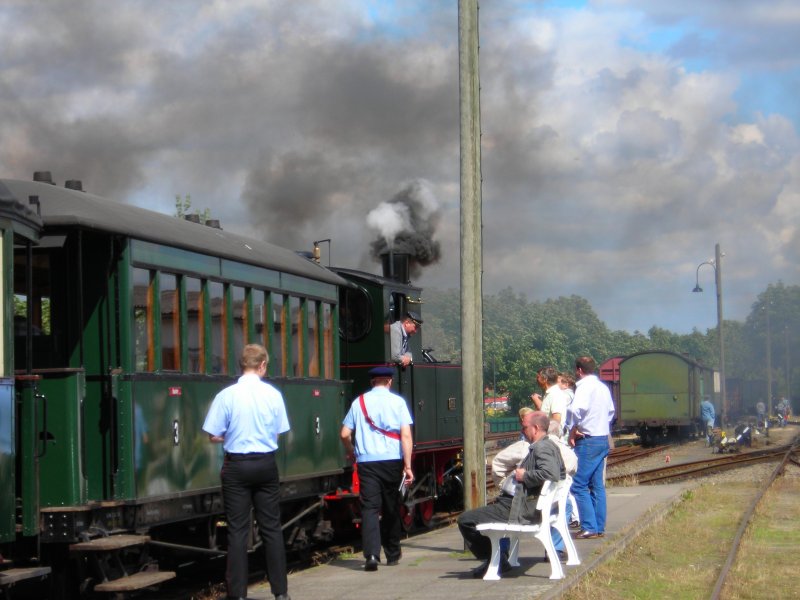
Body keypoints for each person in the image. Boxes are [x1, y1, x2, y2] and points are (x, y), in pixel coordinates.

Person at [202, 344, 291, 600]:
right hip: (265, 464)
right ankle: (281, 593)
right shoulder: (273, 395)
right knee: (272, 528)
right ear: (262, 365)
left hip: (236, 467)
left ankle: (238, 595)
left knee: (238, 532)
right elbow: (277, 432)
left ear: (242, 365)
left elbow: (213, 434)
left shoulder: (226, 395)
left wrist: (231, 434)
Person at [458, 410, 565, 578]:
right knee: (475, 516)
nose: (522, 431)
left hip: (517, 508)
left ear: (535, 428)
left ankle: (497, 560)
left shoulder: (542, 447)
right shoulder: (546, 445)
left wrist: (525, 475)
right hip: (519, 504)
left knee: (465, 520)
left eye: (524, 427)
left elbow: (551, 474)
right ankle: (496, 558)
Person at [340, 366, 414, 572]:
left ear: (372, 382)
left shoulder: (359, 402)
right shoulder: (398, 403)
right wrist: (407, 466)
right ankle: (392, 553)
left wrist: (353, 451)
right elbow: (406, 435)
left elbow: (345, 433)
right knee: (391, 506)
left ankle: (371, 555)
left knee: (370, 508)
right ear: (389, 382)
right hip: (392, 461)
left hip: (366, 462)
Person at [568, 356, 615, 540]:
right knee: (597, 486)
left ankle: (588, 527)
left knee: (578, 484)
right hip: (602, 437)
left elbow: (575, 410)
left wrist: (572, 427)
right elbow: (611, 412)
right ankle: (598, 526)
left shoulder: (583, 387)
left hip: (587, 440)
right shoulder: (603, 387)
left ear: (579, 370)